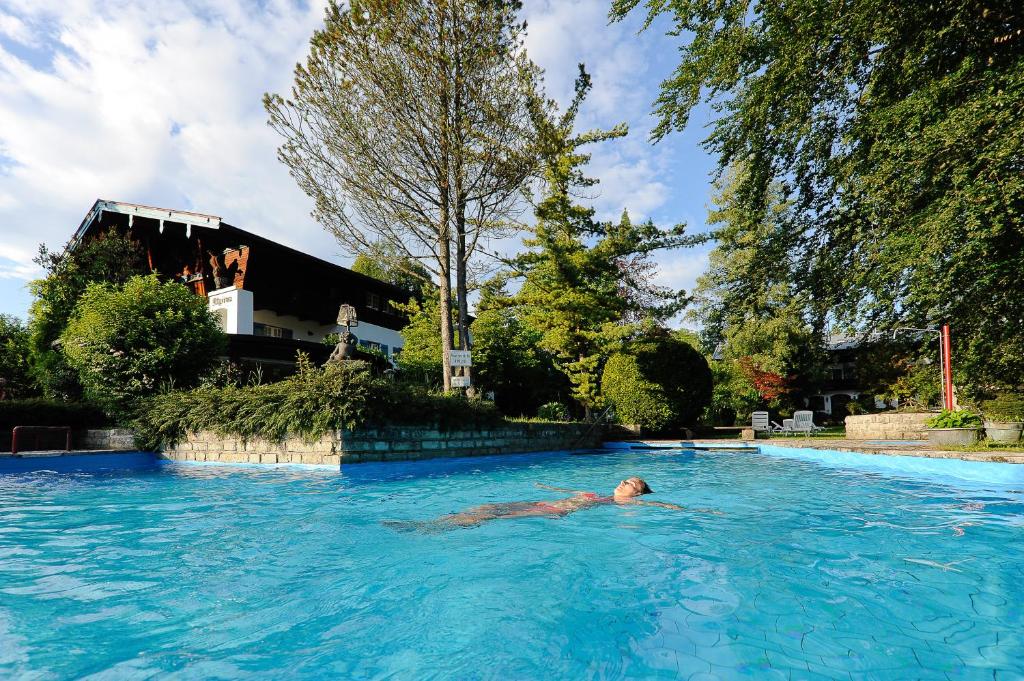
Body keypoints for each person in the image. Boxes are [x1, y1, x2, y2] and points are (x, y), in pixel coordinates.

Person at [383, 477, 695, 533]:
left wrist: (689, 510)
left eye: (631, 484)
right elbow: (565, 489)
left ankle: (430, 529)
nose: (624, 483)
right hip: (541, 501)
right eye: (625, 479)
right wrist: (545, 487)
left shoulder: (622, 507)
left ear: (636, 496)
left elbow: (661, 507)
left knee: (487, 518)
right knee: (486, 507)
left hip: (552, 511)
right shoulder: (595, 494)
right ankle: (434, 523)